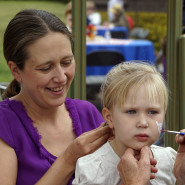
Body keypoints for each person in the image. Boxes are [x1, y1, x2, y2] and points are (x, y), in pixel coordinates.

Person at [0, 9, 112, 185]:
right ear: (16, 71)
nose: (61, 77)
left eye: (66, 62)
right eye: (46, 68)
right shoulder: (4, 124)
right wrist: (68, 160)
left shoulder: (88, 113)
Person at [72, 62, 177, 185]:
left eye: (152, 112)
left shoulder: (170, 160)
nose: (143, 123)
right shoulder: (92, 169)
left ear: (164, 114)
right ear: (109, 118)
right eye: (131, 111)